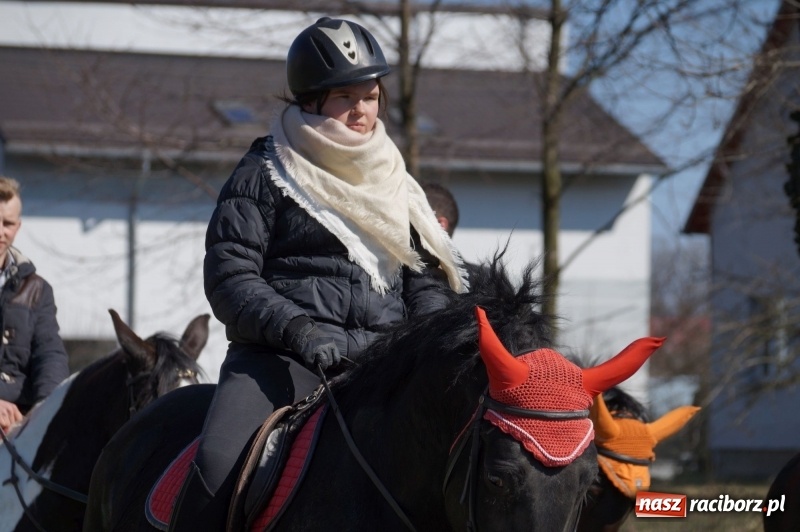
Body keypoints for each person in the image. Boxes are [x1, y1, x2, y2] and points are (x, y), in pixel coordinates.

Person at [169, 17, 466, 531]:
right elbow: (230, 278)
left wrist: (424, 343)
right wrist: (301, 332)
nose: (361, 110)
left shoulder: (398, 183)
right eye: (344, 96)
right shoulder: (263, 172)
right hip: (278, 362)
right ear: (310, 101)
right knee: (218, 468)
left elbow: (424, 280)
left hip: (382, 365)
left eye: (370, 95)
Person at [0, 176, 69, 433]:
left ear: (17, 227)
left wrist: (46, 411)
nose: (0, 232)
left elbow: (49, 354)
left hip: (20, 423)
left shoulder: (37, 289)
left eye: (7, 223)